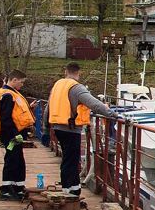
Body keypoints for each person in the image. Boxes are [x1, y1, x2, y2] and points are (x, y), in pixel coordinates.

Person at [48, 62, 115, 195]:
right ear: (78, 73)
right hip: (71, 129)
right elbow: (94, 104)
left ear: (65, 72)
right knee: (72, 160)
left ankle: (72, 187)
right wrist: (113, 114)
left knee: (67, 159)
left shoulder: (57, 85)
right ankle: (70, 191)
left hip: (57, 127)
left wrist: (45, 128)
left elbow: (48, 107)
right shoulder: (77, 88)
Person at [0, 70, 34, 201]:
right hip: (11, 135)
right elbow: (6, 118)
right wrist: (15, 135)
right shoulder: (7, 95)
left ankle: (17, 187)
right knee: (12, 160)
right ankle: (6, 189)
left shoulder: (12, 94)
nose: (22, 85)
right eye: (21, 82)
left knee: (17, 160)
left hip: (14, 133)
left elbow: (16, 113)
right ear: (14, 80)